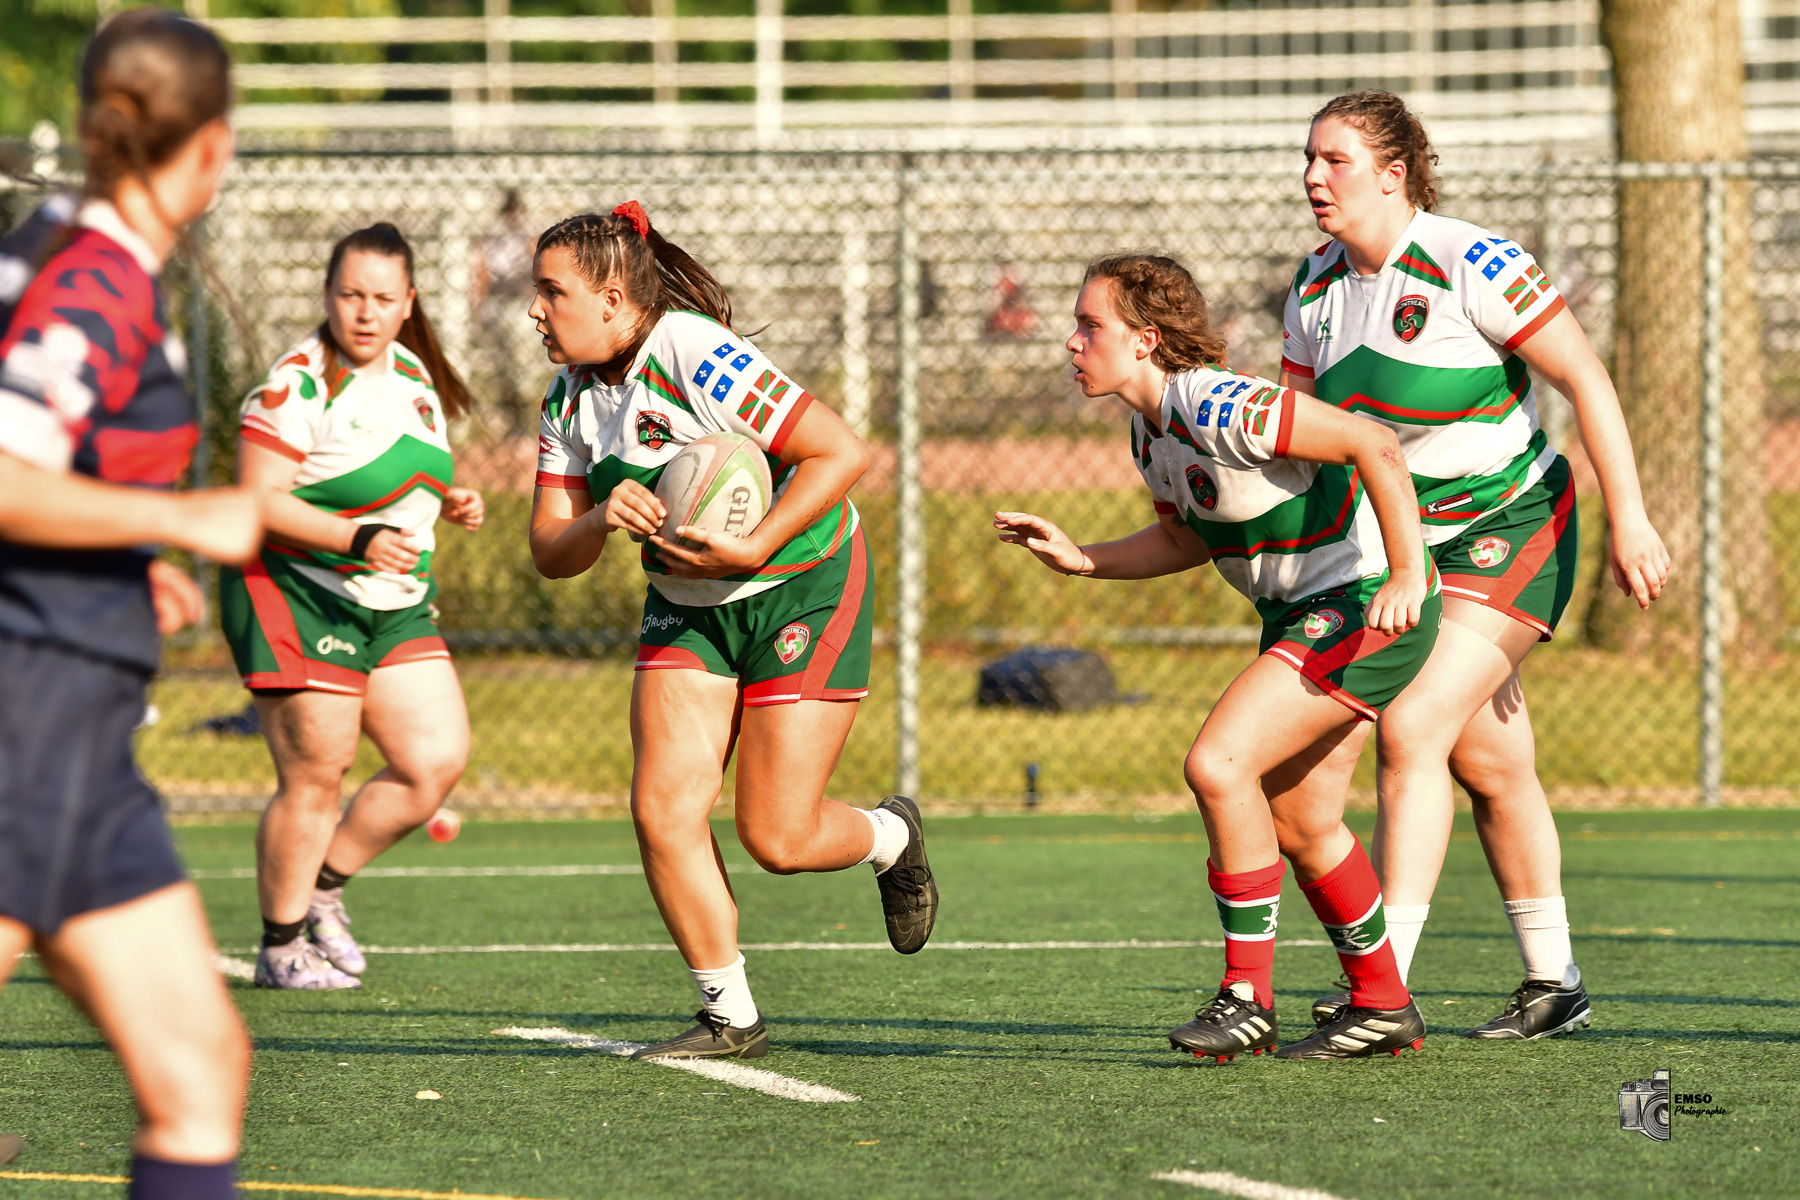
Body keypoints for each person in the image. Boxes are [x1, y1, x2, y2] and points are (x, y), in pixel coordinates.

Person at [1279, 90, 1671, 1039]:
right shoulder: (1314, 288)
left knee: (1413, 725)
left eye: (1334, 159)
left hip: (1515, 521)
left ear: (1394, 172)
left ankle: (1385, 988)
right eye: (1308, 158)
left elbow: (1586, 380)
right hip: (1406, 548)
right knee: (1489, 762)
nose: (1312, 178)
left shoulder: (1470, 260)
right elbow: (1302, 447)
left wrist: (1632, 520)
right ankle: (1556, 982)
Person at [996, 252, 1441, 1060]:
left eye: (1089, 324)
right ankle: (1382, 1001)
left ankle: (1247, 997)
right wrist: (1083, 558)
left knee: (1218, 763)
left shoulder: (1220, 402)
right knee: (1304, 823)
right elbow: (1183, 538)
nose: (1070, 341)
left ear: (1145, 339)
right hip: (1303, 613)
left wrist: (1408, 571)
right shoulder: (1149, 427)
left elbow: (1375, 444)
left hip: (1362, 602)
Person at [528, 201, 937, 1060]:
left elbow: (840, 451)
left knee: (777, 838)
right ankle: (728, 1014)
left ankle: (891, 836)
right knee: (662, 809)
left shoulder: (693, 351)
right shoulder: (567, 398)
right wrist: (600, 515)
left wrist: (749, 545)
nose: (534, 310)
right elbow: (549, 554)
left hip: (802, 584)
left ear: (611, 298)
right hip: (687, 602)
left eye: (550, 291)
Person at [0, 11, 261, 1197]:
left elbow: (58, 464)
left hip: (80, 742)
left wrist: (122, 554)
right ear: (209, 147)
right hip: (26, 715)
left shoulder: (81, 247)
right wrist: (181, 520)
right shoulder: (95, 278)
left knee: (200, 1070)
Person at [221, 223, 485, 990]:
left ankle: (323, 892)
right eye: (349, 295)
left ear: (408, 303)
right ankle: (280, 947)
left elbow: (395, 470)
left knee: (433, 760)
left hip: (392, 599)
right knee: (318, 772)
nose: (364, 312)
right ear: (328, 296)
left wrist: (448, 497)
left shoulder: (414, 374)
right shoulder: (296, 383)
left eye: (381, 297)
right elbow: (256, 501)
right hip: (300, 591)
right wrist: (355, 536)